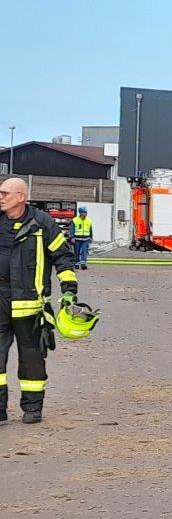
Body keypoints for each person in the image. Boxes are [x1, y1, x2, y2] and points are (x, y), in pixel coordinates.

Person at [0, 178, 80, 424]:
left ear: (21, 197)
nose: (1, 197)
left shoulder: (42, 223)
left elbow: (63, 257)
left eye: (5, 193)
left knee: (32, 359)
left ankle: (32, 408)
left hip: (30, 304)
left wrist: (69, 291)